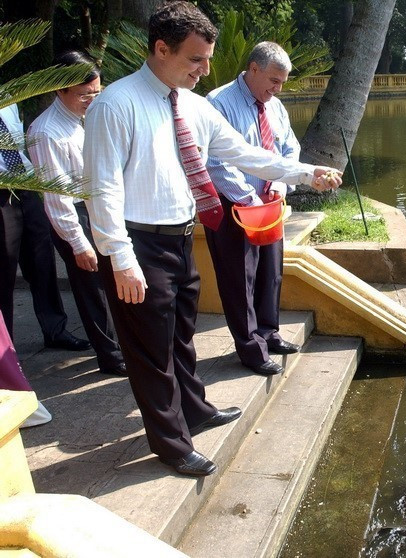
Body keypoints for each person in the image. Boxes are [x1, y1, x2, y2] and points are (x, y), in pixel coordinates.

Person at [82, 1, 342, 477]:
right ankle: (171, 444)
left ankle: (196, 410)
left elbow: (245, 154)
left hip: (181, 238)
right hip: (137, 244)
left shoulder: (194, 106)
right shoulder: (115, 105)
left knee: (180, 338)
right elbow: (101, 191)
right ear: (161, 49)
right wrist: (120, 261)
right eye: (195, 60)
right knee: (151, 353)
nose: (205, 70)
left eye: (207, 59)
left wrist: (306, 173)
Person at [204, 42, 308, 377]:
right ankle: (249, 348)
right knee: (240, 277)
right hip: (234, 204)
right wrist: (248, 198)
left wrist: (279, 183)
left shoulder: (275, 106)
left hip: (270, 201)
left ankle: (268, 331)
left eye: (282, 83)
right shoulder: (218, 103)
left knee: (270, 270)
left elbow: (289, 146)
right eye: (274, 81)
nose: (277, 89)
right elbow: (216, 160)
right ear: (253, 68)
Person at [27, 51, 126, 376]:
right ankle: (110, 355)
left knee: (115, 279)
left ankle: (121, 345)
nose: (91, 100)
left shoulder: (89, 117)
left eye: (96, 93)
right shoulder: (46, 131)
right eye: (84, 95)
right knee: (92, 289)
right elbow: (55, 195)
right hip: (74, 214)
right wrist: (78, 243)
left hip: (100, 206)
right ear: (60, 89)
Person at [0, 103, 90, 351]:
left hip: (27, 190)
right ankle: (6, 351)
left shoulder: (7, 100)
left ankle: (55, 330)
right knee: (4, 272)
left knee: (42, 263)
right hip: (1, 195)